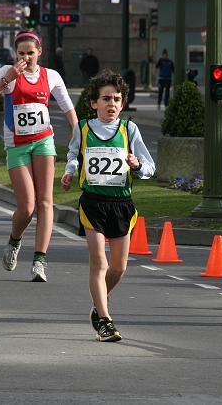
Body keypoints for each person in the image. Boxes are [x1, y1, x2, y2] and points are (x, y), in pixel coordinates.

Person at [61, 69, 155, 342]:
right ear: (93, 103)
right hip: (93, 203)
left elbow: (149, 165)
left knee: (119, 267)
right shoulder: (83, 128)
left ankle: (98, 303)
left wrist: (137, 166)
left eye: (116, 99)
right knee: (99, 263)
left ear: (122, 103)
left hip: (122, 204)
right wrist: (70, 170)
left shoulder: (130, 129)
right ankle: (105, 320)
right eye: (105, 99)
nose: (111, 104)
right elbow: (73, 155)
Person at [0, 31, 78, 282]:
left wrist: (80, 141)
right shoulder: (6, 73)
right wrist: (6, 81)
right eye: (21, 54)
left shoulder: (51, 76)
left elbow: (69, 110)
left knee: (46, 202)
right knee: (27, 206)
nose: (26, 58)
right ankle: (14, 241)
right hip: (17, 145)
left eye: (30, 53)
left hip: (44, 140)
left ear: (39, 53)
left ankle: (39, 261)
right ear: (15, 54)